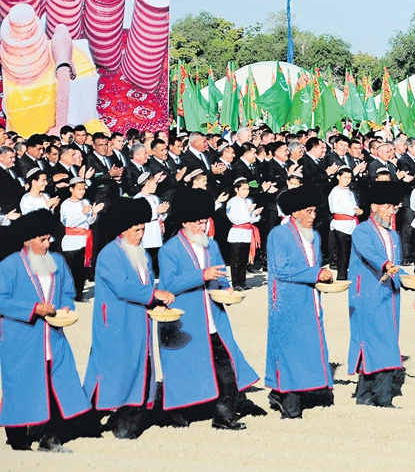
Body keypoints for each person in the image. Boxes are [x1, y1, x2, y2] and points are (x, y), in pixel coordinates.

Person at [158, 187, 264, 430]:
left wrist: (226, 288)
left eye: (204, 222)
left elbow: (220, 274)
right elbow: (169, 284)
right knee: (186, 367)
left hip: (213, 315)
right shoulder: (169, 250)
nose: (202, 227)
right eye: (197, 223)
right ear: (184, 222)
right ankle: (178, 412)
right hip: (186, 318)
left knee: (225, 364)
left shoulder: (211, 245)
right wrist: (201, 275)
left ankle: (224, 415)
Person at [84, 198, 175, 439]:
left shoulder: (141, 254)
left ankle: (127, 415)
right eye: (136, 230)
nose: (141, 234)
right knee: (109, 369)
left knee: (135, 367)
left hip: (137, 321)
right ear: (122, 230)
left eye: (143, 229)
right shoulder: (109, 254)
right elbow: (123, 288)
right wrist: (154, 294)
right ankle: (89, 416)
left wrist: (155, 303)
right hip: (114, 322)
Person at [0, 210, 91, 452]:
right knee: (20, 387)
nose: (47, 243)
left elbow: (68, 293)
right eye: (42, 240)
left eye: (49, 239)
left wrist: (65, 308)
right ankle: (18, 439)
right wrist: (33, 309)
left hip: (54, 337)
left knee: (58, 385)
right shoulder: (9, 266)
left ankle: (51, 439)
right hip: (20, 339)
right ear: (27, 241)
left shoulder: (58, 262)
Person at [265, 186, 336, 418]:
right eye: (308, 211)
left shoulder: (314, 236)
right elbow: (281, 269)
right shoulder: (279, 234)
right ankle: (288, 399)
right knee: (289, 348)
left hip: (309, 298)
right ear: (294, 213)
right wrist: (316, 274)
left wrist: (322, 275)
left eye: (314, 211)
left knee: (308, 345)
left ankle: (288, 392)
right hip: (286, 300)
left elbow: (312, 266)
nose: (312, 216)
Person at [347, 182, 408, 407]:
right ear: (374, 206)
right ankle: (381, 396)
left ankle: (366, 394)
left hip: (389, 295)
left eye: (394, 207)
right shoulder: (362, 230)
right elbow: (370, 253)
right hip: (368, 294)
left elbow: (397, 264)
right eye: (388, 207)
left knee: (385, 339)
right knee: (375, 341)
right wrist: (386, 265)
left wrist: (406, 279)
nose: (391, 211)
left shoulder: (393, 235)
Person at [59, 177, 103, 300]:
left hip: (84, 240)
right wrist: (83, 214)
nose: (82, 192)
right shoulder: (66, 204)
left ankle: (79, 294)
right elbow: (69, 223)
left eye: (83, 189)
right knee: (71, 269)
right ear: (71, 189)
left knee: (82, 270)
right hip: (71, 241)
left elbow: (89, 221)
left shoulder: (85, 202)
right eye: (79, 189)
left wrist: (94, 213)